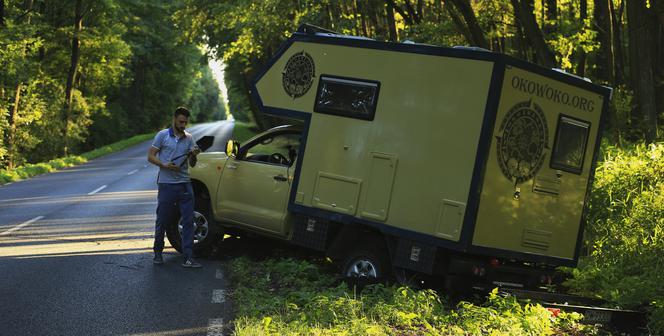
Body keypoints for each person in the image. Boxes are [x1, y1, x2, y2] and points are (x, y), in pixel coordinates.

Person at [147, 107, 202, 268]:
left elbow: (192, 164)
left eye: (185, 122)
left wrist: (193, 155)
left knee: (188, 221)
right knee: (162, 220)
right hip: (167, 185)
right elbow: (150, 156)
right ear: (174, 119)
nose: (183, 125)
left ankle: (188, 257)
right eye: (180, 122)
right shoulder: (162, 135)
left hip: (185, 184)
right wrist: (164, 165)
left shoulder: (189, 138)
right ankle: (158, 252)